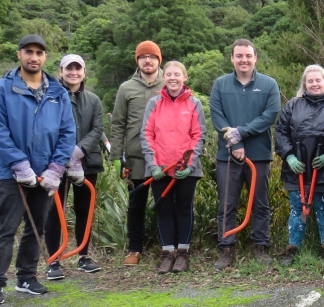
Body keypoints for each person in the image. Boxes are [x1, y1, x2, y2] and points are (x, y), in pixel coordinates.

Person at [0, 35, 76, 305]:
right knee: (6, 227)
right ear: (19, 54)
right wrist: (18, 164)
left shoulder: (58, 92)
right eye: (28, 52)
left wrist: (57, 167)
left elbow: (67, 133)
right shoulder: (1, 89)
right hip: (12, 173)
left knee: (37, 227)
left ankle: (26, 277)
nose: (33, 57)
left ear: (45, 57)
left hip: (46, 173)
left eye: (39, 53)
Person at [210, 39, 282, 270]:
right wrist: (232, 141)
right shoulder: (220, 84)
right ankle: (226, 249)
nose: (244, 60)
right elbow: (216, 115)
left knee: (260, 204)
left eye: (248, 56)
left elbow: (269, 116)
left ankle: (260, 247)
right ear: (232, 58)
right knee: (226, 204)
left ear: (255, 58)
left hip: (258, 155)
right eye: (239, 56)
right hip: (227, 156)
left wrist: (240, 133)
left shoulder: (269, 84)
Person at [43, 54, 105, 281]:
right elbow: (47, 128)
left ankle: (83, 257)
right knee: (54, 211)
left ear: (84, 72)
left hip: (86, 162)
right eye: (69, 68)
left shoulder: (94, 100)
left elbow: (97, 129)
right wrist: (64, 155)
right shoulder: (50, 98)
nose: (74, 72)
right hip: (56, 163)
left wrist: (78, 152)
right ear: (60, 72)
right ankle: (53, 260)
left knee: (84, 209)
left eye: (78, 68)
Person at [140, 61, 206, 274]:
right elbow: (147, 134)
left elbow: (199, 135)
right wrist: (153, 165)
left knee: (184, 208)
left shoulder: (194, 104)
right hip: (160, 168)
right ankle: (167, 253)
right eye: (169, 74)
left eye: (177, 74)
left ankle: (183, 254)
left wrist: (190, 164)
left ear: (184, 77)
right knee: (164, 209)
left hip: (186, 169)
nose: (173, 78)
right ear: (163, 77)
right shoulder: (154, 103)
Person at [274, 65, 324, 266]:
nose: (314, 84)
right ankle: (292, 248)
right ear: (305, 84)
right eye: (310, 81)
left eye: (318, 80)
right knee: (297, 209)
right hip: (297, 168)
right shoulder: (293, 105)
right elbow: (280, 131)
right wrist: (289, 156)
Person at [110, 41, 164, 266]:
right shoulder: (126, 88)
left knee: (164, 202)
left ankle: (167, 247)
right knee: (136, 204)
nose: (148, 61)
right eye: (143, 57)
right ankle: (135, 249)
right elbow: (118, 123)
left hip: (164, 157)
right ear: (138, 61)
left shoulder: (168, 84)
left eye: (152, 57)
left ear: (159, 60)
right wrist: (115, 157)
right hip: (135, 156)